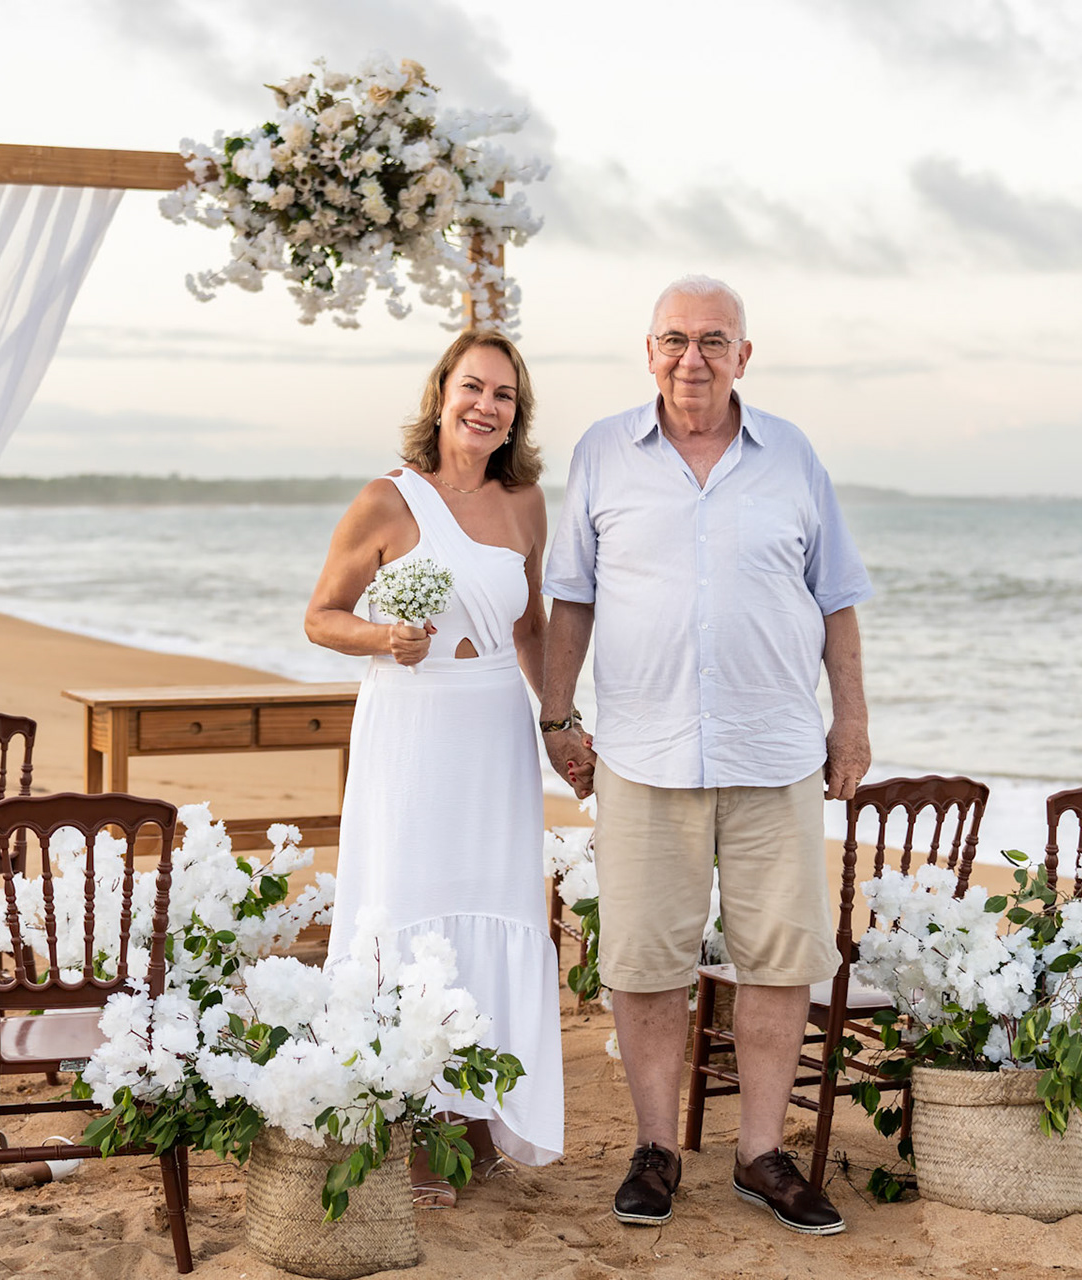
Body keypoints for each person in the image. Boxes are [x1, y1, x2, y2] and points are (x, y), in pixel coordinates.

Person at [540, 275, 872, 1235]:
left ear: (744, 356)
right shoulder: (603, 452)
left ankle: (762, 1155)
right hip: (643, 754)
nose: (694, 357)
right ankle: (656, 1150)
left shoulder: (792, 456)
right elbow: (573, 598)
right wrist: (558, 718)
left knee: (781, 961)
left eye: (714, 340)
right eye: (676, 339)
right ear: (649, 352)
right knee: (646, 962)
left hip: (775, 754)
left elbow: (838, 599)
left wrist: (850, 722)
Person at [305, 330, 565, 1205]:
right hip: (412, 726)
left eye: (505, 394)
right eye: (474, 387)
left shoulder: (526, 502)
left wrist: (558, 721)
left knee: (493, 901)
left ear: (515, 413)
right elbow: (320, 616)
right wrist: (384, 637)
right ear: (441, 393)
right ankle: (407, 1118)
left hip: (495, 727)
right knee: (412, 904)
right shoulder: (388, 499)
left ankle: (479, 1111)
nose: (487, 405)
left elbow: (529, 630)